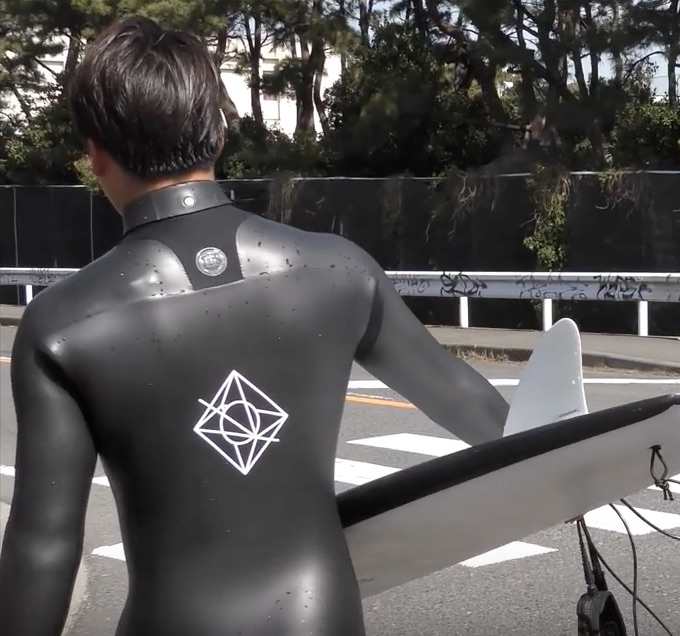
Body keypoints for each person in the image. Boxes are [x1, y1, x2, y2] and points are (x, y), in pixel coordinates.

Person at [0, 15, 509, 636]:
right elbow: (459, 394)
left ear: (96, 155)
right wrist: (573, 469)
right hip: (320, 617)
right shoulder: (338, 270)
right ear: (217, 134)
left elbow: (45, 546)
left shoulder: (63, 326)